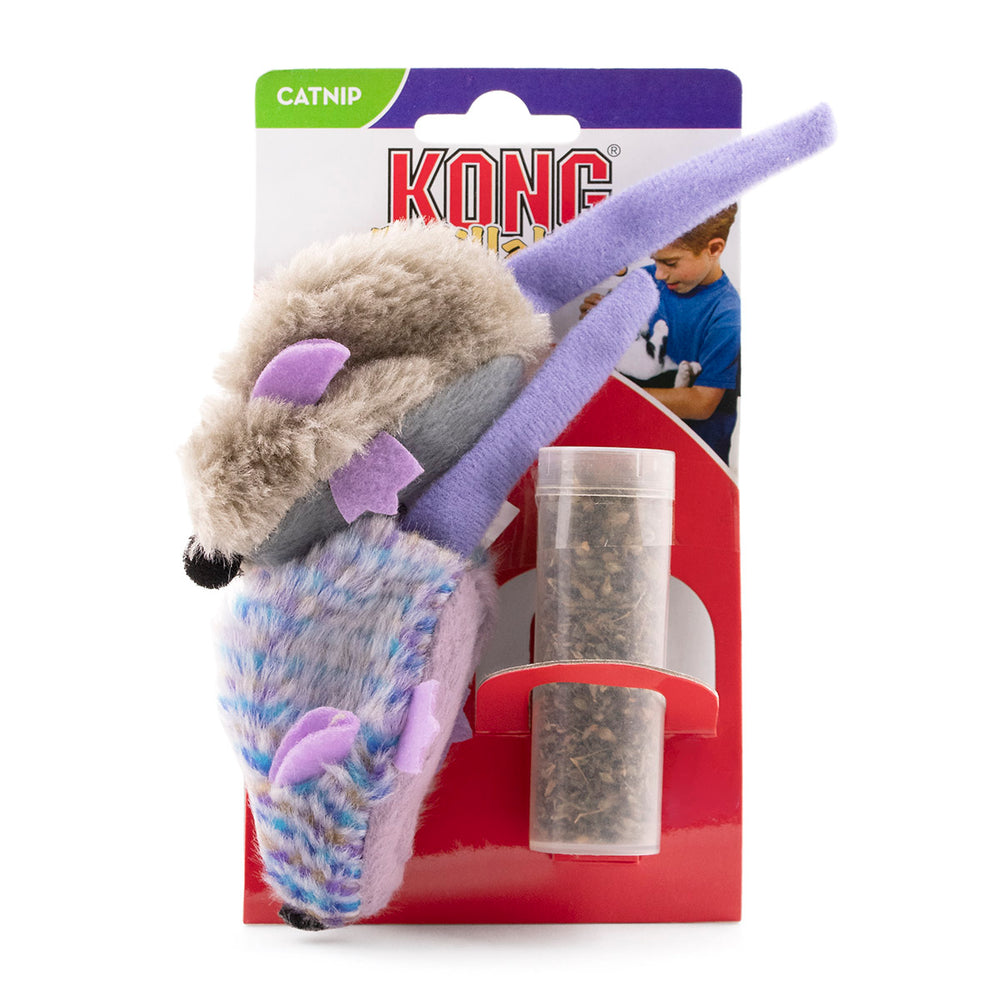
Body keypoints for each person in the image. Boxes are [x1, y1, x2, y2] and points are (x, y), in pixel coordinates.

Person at [582, 204, 741, 464]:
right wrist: (597, 318)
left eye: (670, 263)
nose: (659, 273)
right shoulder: (645, 280)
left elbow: (701, 403)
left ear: (714, 249)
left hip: (692, 460)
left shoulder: (728, 313)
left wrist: (613, 399)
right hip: (632, 448)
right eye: (655, 260)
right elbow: (606, 346)